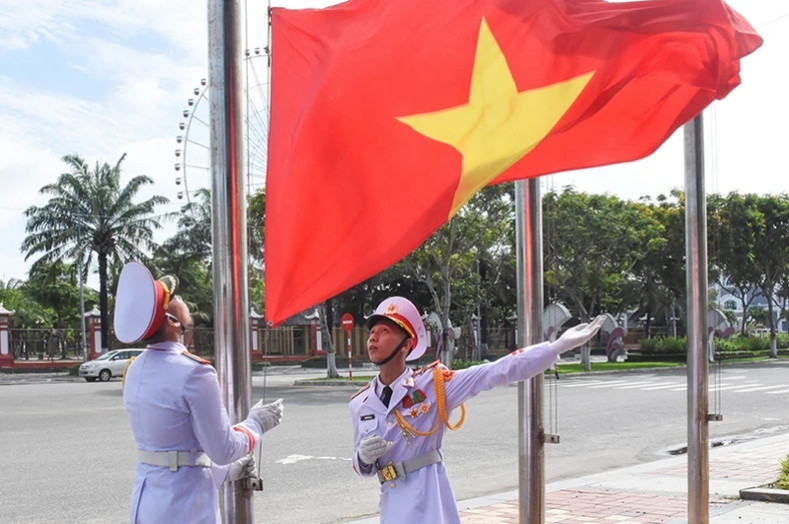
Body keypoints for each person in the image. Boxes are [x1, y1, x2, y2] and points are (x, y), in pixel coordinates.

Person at [350, 296, 604, 523]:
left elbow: (494, 372)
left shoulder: (434, 384)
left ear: (406, 344)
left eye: (384, 331)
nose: (373, 337)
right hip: (391, 504)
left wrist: (554, 348)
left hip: (428, 501)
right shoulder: (361, 404)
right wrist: (362, 457)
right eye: (372, 331)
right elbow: (363, 467)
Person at [115, 261, 283, 524]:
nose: (183, 302)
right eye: (175, 301)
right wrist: (256, 424)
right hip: (183, 509)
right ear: (172, 323)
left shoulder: (133, 370)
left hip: (147, 505)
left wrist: (224, 472)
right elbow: (223, 449)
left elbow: (171, 452)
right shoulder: (195, 373)